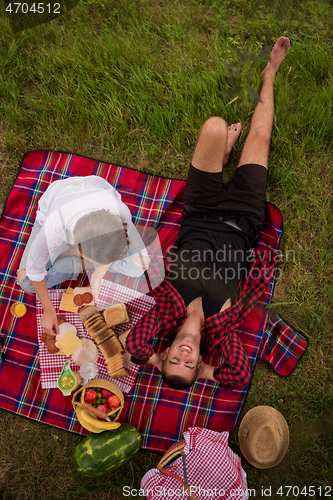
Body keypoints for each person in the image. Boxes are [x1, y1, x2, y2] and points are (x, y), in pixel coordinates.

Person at [125, 36, 291, 390]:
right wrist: (207, 374)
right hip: (244, 218)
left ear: (167, 350)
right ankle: (270, 73)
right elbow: (237, 376)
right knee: (260, 136)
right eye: (189, 363)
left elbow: (135, 346)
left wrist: (154, 362)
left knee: (215, 125)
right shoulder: (222, 331)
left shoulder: (166, 313)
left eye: (174, 358)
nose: (183, 355)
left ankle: (223, 153)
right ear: (199, 359)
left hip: (200, 210)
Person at [17, 175, 150, 336]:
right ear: (79, 248)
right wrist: (48, 309)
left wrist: (98, 276)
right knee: (25, 281)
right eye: (93, 259)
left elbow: (116, 246)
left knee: (140, 264)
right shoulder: (53, 225)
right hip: (59, 207)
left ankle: (75, 260)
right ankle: (73, 256)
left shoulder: (121, 214)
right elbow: (34, 272)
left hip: (97, 202)